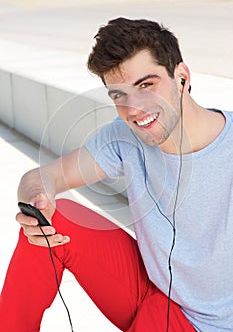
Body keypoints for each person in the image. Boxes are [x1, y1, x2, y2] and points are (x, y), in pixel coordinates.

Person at [0, 17, 231, 332]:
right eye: (119, 95)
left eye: (146, 85)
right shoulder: (124, 137)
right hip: (149, 290)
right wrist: (35, 202)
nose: (134, 109)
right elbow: (40, 177)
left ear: (181, 77)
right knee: (53, 217)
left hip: (206, 323)